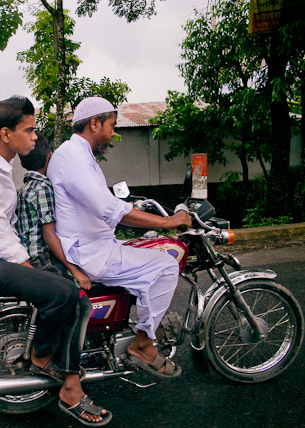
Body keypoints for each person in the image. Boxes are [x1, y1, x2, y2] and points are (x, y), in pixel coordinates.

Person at [0, 96, 111, 426]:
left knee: (77, 297)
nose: (35, 136)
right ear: (7, 134)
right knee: (69, 294)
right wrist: (31, 269)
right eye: (30, 129)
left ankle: (67, 378)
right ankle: (50, 366)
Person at [47, 96, 192, 378]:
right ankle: (143, 344)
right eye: (112, 126)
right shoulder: (76, 159)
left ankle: (128, 325)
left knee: (145, 249)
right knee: (165, 266)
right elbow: (108, 208)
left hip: (90, 245)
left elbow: (99, 201)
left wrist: (135, 209)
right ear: (94, 123)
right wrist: (167, 222)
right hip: (93, 252)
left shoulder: (71, 153)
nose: (114, 133)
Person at [15, 131, 93, 349]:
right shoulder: (43, 188)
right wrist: (75, 270)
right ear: (50, 157)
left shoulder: (26, 187)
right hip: (43, 260)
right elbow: (49, 236)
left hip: (29, 256)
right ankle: (64, 362)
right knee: (79, 303)